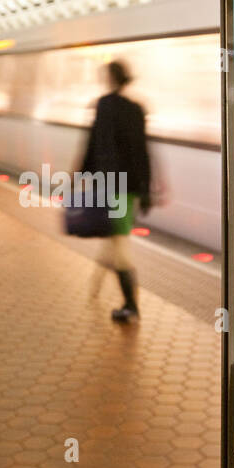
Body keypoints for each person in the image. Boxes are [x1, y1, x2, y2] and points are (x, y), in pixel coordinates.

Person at [81, 60, 152, 324]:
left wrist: (82, 175)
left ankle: (131, 306)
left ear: (110, 79)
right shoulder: (136, 109)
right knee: (113, 236)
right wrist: (146, 190)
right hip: (130, 187)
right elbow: (142, 152)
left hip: (112, 187)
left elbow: (93, 144)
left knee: (120, 245)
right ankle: (96, 284)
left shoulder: (105, 105)